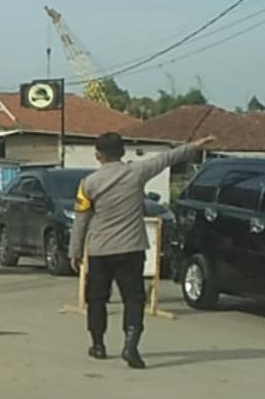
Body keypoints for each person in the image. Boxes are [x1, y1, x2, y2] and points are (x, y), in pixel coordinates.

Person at [71, 132, 214, 369]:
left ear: (97, 155)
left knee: (96, 299)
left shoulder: (88, 183)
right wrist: (195, 145)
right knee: (134, 299)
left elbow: (81, 219)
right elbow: (167, 158)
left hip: (99, 250)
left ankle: (98, 345)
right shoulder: (137, 172)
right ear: (122, 152)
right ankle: (131, 345)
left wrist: (75, 251)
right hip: (131, 248)